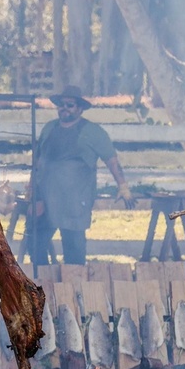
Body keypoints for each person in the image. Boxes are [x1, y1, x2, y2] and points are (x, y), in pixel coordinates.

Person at [27, 86, 129, 266]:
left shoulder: (94, 132)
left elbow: (111, 160)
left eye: (70, 105)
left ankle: (73, 286)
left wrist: (123, 186)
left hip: (74, 202)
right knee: (35, 244)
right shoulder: (49, 128)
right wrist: (33, 194)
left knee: (74, 251)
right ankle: (44, 283)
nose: (64, 108)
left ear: (80, 108)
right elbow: (38, 163)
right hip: (46, 200)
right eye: (61, 104)